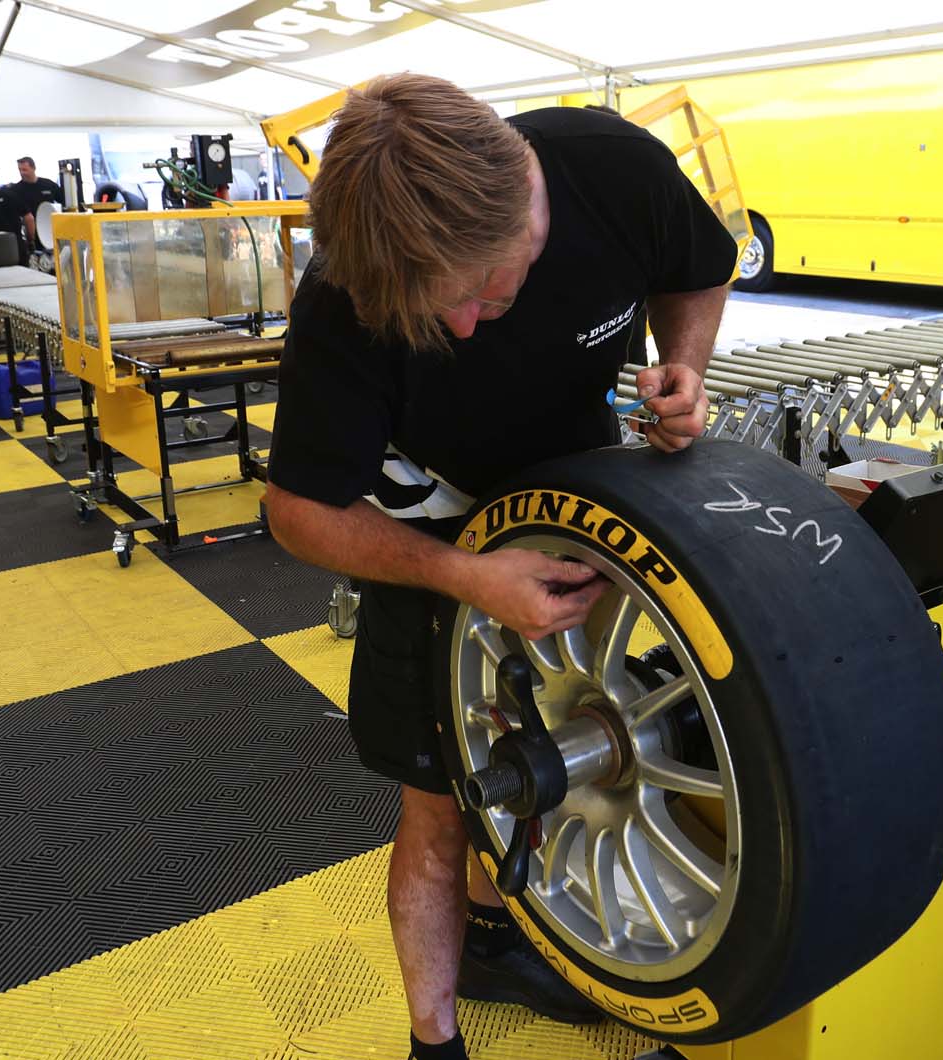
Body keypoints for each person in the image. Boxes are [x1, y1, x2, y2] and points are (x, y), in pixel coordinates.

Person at [263, 75, 737, 1060]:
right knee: (439, 799)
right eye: (442, 318)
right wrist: (463, 576)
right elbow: (298, 511)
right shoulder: (346, 297)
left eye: (488, 291)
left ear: (530, 207)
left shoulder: (614, 172)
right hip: (432, 528)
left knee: (548, 738)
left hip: (581, 504)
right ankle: (431, 1038)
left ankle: (493, 937)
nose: (470, 328)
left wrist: (685, 364)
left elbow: (698, 268)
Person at [6, 156, 62, 220]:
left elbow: (63, 201)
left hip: (49, 225)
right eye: (20, 170)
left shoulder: (49, 184)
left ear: (34, 168)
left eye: (24, 170)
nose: (22, 173)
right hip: (29, 226)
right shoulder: (15, 190)